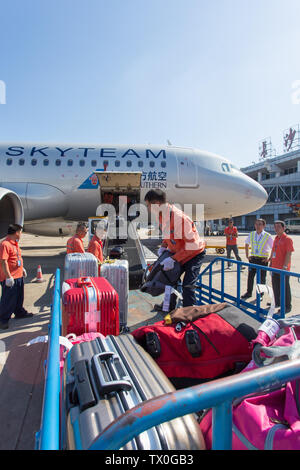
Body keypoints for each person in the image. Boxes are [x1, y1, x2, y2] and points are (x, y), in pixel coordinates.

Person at [144, 189, 206, 308]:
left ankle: (187, 315)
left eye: (148, 205)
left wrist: (174, 259)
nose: (148, 209)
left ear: (156, 204)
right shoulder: (161, 216)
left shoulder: (179, 218)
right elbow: (169, 234)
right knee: (169, 281)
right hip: (178, 253)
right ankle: (167, 307)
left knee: (188, 285)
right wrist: (164, 246)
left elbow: (192, 246)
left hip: (194, 254)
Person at [0, 224, 33, 329]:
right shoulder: (5, 244)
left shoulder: (15, 243)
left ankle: (19, 312)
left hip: (18, 275)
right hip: (11, 277)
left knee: (19, 296)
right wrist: (8, 276)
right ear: (17, 233)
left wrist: (21, 269)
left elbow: (16, 258)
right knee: (8, 299)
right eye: (20, 232)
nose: (21, 234)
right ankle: (3, 320)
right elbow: (3, 261)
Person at [241, 219, 273, 299]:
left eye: (260, 224)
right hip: (253, 259)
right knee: (250, 277)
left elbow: (274, 248)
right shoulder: (251, 234)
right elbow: (247, 244)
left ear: (263, 226)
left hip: (262, 260)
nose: (257, 226)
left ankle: (260, 295)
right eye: (256, 224)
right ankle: (249, 292)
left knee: (262, 278)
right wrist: (247, 255)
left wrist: (269, 259)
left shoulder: (267, 235)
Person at [269, 220, 294, 314]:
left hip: (283, 269)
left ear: (283, 228)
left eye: (279, 227)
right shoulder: (276, 238)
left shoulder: (287, 239)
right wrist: (271, 261)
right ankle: (277, 302)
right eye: (275, 227)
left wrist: (284, 266)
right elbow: (273, 251)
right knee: (276, 286)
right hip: (274, 267)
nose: (276, 229)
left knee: (285, 288)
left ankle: (287, 306)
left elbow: (289, 253)